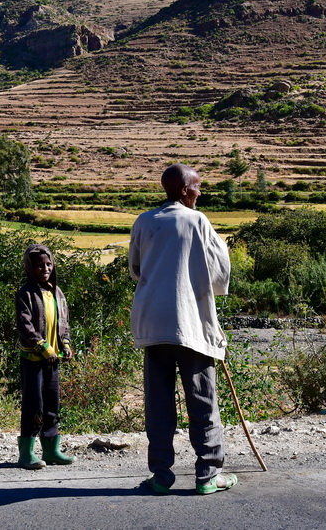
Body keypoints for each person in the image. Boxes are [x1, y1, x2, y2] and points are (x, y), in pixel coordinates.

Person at [128, 163, 235, 495]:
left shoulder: (144, 221)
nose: (200, 193)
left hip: (153, 324)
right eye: (198, 187)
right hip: (190, 324)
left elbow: (135, 268)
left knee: (158, 403)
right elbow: (219, 272)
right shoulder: (197, 221)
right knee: (202, 400)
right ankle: (207, 474)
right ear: (186, 190)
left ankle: (161, 475)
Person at [15, 243, 76, 470]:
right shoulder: (25, 293)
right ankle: (27, 453)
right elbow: (25, 326)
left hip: (54, 359)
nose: (45, 268)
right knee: (34, 405)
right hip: (34, 359)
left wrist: (65, 345)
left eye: (48, 264)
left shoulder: (56, 292)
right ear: (30, 268)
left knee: (52, 404)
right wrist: (44, 348)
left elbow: (64, 324)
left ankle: (51, 450)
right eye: (39, 265)